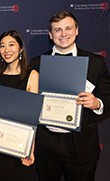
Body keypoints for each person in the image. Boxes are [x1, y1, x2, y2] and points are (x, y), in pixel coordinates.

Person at [30, 11, 110, 181]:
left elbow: (108, 97)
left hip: (80, 145)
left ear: (77, 30)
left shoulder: (95, 62)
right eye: (58, 30)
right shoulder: (36, 63)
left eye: (68, 28)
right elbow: (28, 102)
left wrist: (97, 103)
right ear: (51, 35)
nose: (64, 34)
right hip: (46, 143)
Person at [0, 30, 39, 181]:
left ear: (21, 48)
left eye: (11, 45)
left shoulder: (32, 75)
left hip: (21, 143)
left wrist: (30, 149)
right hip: (2, 142)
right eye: (2, 46)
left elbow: (33, 117)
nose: (7, 50)